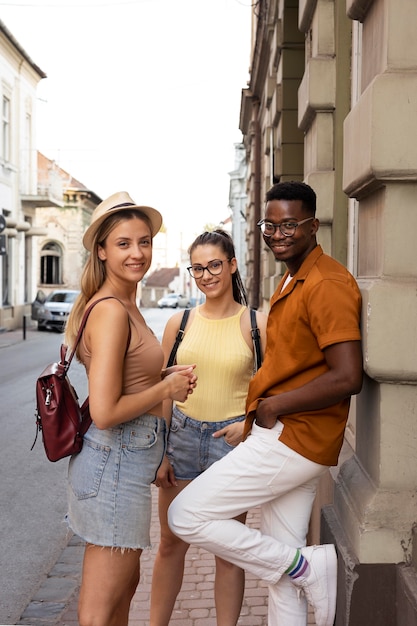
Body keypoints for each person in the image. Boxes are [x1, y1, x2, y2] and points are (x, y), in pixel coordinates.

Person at [168, 181, 363, 626]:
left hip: (292, 437)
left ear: (314, 226)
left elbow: (348, 375)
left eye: (290, 224)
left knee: (186, 514)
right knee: (281, 573)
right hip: (292, 435)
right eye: (269, 225)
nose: (278, 233)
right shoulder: (293, 278)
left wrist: (273, 407)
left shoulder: (328, 283)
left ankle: (306, 566)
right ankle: (300, 567)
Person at [64, 191, 197, 626]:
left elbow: (124, 385)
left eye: (144, 241)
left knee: (123, 591)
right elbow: (104, 410)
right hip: (113, 463)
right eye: (123, 244)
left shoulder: (125, 304)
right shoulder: (112, 312)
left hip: (125, 462)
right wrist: (169, 388)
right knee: (100, 609)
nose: (137, 253)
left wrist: (161, 383)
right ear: (101, 251)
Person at [150, 229, 267, 626]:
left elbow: (268, 392)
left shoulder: (257, 324)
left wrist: (248, 425)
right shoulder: (178, 323)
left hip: (230, 444)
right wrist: (161, 451)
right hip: (181, 438)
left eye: (214, 265)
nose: (206, 275)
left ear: (232, 265)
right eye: (198, 267)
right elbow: (163, 390)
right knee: (170, 544)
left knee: (228, 552)